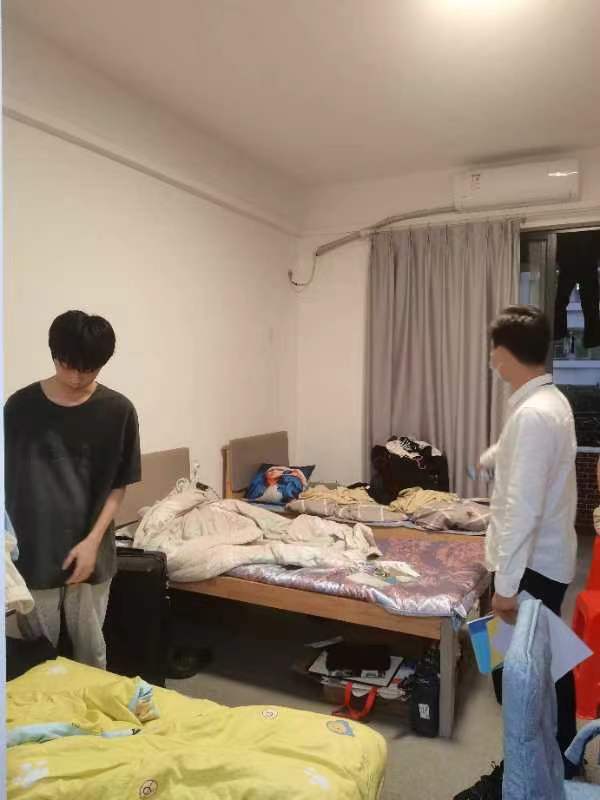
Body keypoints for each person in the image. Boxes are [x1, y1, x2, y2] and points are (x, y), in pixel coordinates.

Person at [455, 305, 578, 800]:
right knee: (550, 660)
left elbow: (522, 510)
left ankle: (521, 773)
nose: (491, 358)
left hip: (528, 567)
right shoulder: (547, 400)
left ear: (506, 353)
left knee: (516, 676)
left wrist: (503, 588)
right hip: (546, 559)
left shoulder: (533, 415)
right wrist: (486, 463)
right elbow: (518, 455)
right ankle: (565, 751)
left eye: (493, 350)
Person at [4, 310, 141, 669]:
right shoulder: (18, 408)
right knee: (37, 658)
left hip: (93, 547)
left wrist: (93, 542)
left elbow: (118, 484)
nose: (77, 377)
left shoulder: (118, 411)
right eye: (68, 366)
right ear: (54, 355)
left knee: (91, 651)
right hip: (33, 549)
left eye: (89, 369)